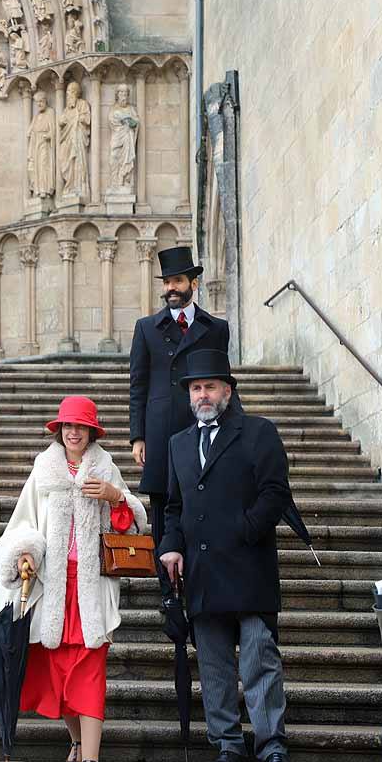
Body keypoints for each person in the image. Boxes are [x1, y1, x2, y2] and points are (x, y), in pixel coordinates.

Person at [0, 395, 147, 762]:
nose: (74, 432)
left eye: (81, 426)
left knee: (90, 670)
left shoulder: (106, 468)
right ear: (59, 430)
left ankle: (90, 761)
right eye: (68, 426)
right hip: (52, 588)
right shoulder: (44, 469)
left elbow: (134, 526)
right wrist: (24, 552)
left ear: (92, 431)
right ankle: (77, 741)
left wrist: (117, 498)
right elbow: (23, 523)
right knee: (58, 674)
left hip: (92, 586)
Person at [158, 350, 293, 762]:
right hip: (201, 574)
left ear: (228, 392)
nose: (202, 394)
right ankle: (229, 746)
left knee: (259, 661)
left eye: (210, 387)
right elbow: (173, 507)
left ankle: (271, 746)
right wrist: (171, 544)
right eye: (196, 388)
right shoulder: (178, 444)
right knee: (214, 668)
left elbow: (275, 494)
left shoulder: (259, 433)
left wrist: (244, 531)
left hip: (249, 569)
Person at [129, 246, 232, 598]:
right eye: (167, 282)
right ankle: (167, 588)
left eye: (177, 281)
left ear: (193, 282)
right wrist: (137, 436)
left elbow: (224, 381)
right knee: (161, 507)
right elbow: (137, 384)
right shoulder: (146, 328)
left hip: (202, 427)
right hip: (160, 432)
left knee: (205, 501)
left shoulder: (216, 328)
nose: (171, 288)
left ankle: (204, 579)